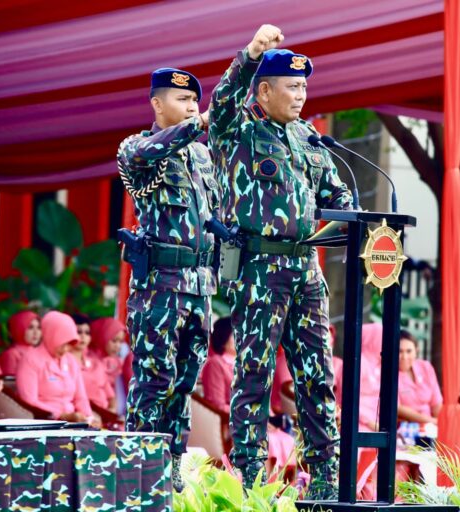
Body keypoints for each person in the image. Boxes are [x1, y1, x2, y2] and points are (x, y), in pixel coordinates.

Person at [209, 24, 353, 497]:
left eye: (305, 86)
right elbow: (224, 101)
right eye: (292, 86)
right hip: (259, 271)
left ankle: (325, 482)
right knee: (254, 375)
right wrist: (250, 54)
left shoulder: (310, 139)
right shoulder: (240, 129)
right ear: (265, 91)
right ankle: (249, 481)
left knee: (317, 376)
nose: (301, 95)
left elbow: (340, 195)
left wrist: (344, 226)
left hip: (306, 270)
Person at [117, 65, 218, 490]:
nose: (192, 108)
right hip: (160, 286)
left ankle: (172, 461)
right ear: (157, 105)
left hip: (199, 286)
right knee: (153, 379)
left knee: (185, 382)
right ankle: (138, 468)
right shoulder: (136, 149)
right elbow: (153, 152)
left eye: (196, 101)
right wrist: (200, 124)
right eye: (182, 100)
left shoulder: (200, 154)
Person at [201, 317, 295, 472]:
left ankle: (282, 490)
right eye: (235, 333)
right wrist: (249, 416)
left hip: (260, 424)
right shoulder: (215, 364)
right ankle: (261, 487)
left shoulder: (248, 363)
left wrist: (267, 418)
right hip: (235, 425)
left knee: (286, 439)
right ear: (224, 337)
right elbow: (216, 404)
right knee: (267, 441)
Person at [16, 311, 94, 424]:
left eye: (70, 344)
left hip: (72, 422)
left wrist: (89, 417)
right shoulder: (30, 360)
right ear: (51, 336)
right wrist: (61, 416)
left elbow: (81, 398)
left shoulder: (70, 360)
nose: (66, 349)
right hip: (43, 423)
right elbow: (29, 401)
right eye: (63, 343)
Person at [397, 330, 442, 426]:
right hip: (406, 426)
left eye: (409, 351)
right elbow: (398, 408)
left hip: (432, 427)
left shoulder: (425, 367)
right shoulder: (388, 373)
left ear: (416, 351)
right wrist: (431, 421)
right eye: (399, 351)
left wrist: (442, 423)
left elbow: (436, 403)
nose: (404, 357)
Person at [70, 314, 113, 411]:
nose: (83, 336)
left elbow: (110, 394)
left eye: (87, 333)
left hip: (104, 411)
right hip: (81, 413)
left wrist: (112, 409)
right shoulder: (65, 362)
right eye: (79, 332)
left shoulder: (95, 362)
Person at [89, 318, 127, 410]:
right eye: (114, 341)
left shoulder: (115, 362)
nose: (118, 346)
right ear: (102, 336)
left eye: (121, 342)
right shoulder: (88, 361)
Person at [0, 310, 41, 375]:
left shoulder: (38, 353)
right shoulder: (11, 355)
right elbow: (9, 383)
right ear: (19, 328)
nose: (36, 332)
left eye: (38, 328)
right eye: (30, 327)